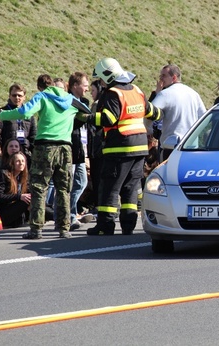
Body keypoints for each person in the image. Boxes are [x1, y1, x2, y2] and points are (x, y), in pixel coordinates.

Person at [0, 74, 92, 239]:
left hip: (44, 147)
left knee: (39, 187)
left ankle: (36, 229)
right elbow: (86, 114)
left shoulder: (42, 96)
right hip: (65, 148)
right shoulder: (71, 100)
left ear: (44, 87)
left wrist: (2, 115)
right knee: (63, 189)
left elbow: (25, 112)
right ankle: (64, 228)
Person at [83, 58, 162, 236]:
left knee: (110, 187)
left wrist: (87, 117)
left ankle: (106, 225)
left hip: (119, 147)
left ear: (107, 76)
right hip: (140, 147)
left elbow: (109, 119)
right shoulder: (136, 90)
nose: (101, 83)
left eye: (101, 79)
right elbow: (154, 113)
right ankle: (128, 225)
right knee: (130, 188)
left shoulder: (113, 93)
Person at [150, 64, 206, 161]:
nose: (160, 79)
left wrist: (157, 93)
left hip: (171, 147)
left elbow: (150, 111)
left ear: (174, 77)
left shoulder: (165, 94)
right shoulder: (193, 93)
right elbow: (204, 117)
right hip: (191, 146)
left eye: (163, 76)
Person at [67, 72, 90, 231]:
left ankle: (70, 212)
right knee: (69, 184)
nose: (87, 89)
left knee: (82, 181)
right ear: (75, 86)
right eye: (85, 85)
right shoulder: (67, 102)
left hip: (82, 148)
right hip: (70, 147)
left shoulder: (85, 102)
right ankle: (68, 216)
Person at [0, 83, 37, 165]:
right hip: (7, 156)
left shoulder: (29, 115)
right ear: (9, 96)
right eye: (14, 95)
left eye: (19, 95)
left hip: (25, 156)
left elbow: (33, 137)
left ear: (24, 97)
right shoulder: (2, 113)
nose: (17, 98)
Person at [0, 152, 31, 228]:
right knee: (25, 201)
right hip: (2, 213)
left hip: (15, 212)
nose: (21, 163)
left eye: (23, 161)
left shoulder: (22, 177)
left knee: (33, 199)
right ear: (12, 163)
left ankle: (56, 216)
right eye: (18, 161)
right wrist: (19, 197)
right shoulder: (2, 174)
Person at [87, 79, 104, 214]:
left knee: (98, 177)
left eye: (93, 90)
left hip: (97, 147)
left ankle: (99, 205)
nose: (91, 93)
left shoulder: (97, 104)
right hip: (99, 146)